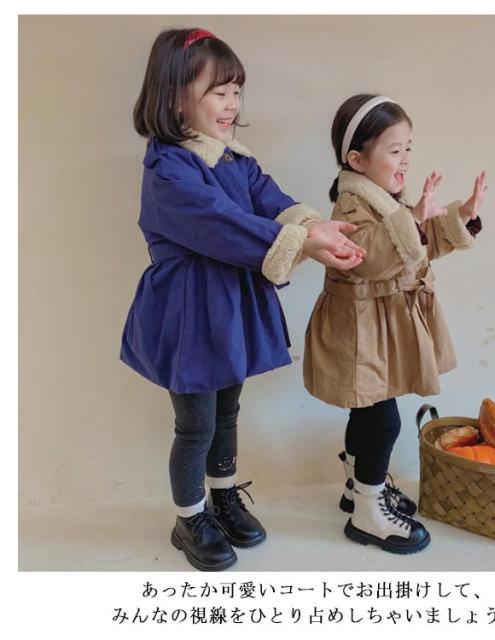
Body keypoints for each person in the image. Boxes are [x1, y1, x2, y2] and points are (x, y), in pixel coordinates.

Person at [120, 28, 364, 571]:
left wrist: (314, 229)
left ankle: (223, 496)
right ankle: (189, 518)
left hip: (229, 305)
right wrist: (303, 242)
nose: (232, 103)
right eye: (218, 91)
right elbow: (220, 222)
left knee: (228, 411)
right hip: (190, 311)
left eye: (236, 91)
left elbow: (269, 199)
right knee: (196, 424)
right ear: (174, 96)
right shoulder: (168, 168)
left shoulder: (233, 159)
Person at [303, 93, 486, 554]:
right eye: (394, 150)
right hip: (361, 331)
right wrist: (412, 220)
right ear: (357, 159)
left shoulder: (384, 199)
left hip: (379, 325)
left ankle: (357, 486)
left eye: (408, 149)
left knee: (366, 412)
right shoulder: (351, 206)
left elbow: (414, 249)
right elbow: (370, 258)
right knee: (382, 420)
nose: (405, 160)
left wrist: (458, 217)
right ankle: (367, 511)